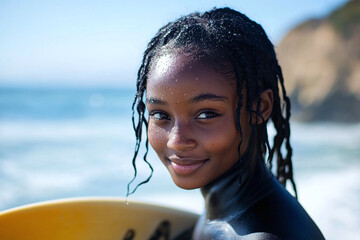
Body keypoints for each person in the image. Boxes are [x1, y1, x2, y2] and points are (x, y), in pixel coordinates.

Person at [127, 7, 325, 240]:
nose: (177, 141)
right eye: (160, 114)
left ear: (259, 107)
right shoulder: (226, 207)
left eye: (206, 114)